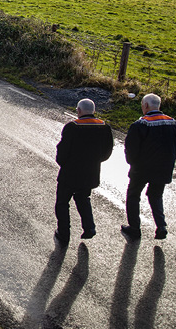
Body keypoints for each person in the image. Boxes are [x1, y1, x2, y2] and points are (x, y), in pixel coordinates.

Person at [122, 93, 176, 240]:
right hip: (163, 168)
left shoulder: (140, 124)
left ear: (146, 106)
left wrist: (132, 163)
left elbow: (131, 148)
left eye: (142, 105)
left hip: (141, 168)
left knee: (133, 195)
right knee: (156, 195)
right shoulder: (173, 123)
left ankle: (134, 228)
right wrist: (168, 161)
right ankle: (161, 225)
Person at [53, 98, 114, 246]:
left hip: (70, 173)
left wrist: (63, 163)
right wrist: (94, 162)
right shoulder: (105, 127)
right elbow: (107, 151)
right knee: (83, 198)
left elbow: (62, 152)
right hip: (91, 172)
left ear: (79, 111)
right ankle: (89, 227)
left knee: (62, 203)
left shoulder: (72, 127)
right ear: (93, 111)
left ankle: (64, 234)